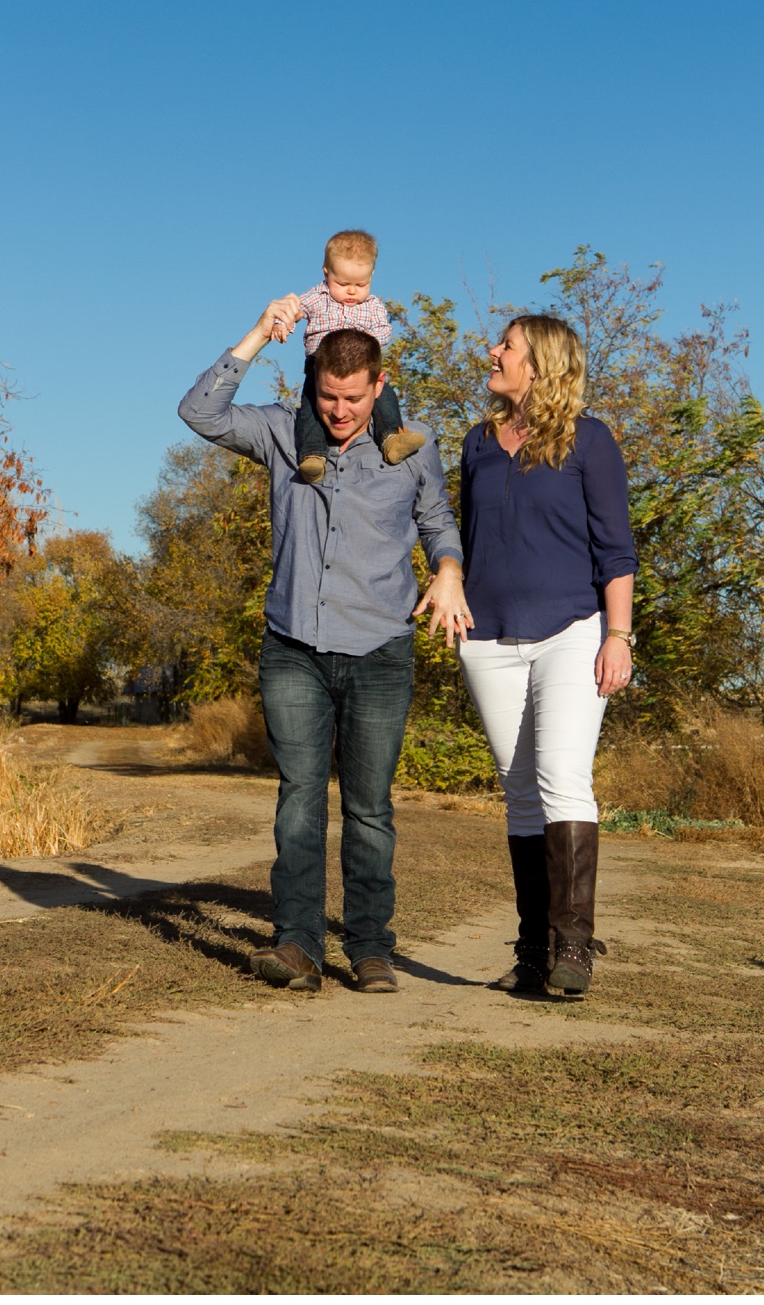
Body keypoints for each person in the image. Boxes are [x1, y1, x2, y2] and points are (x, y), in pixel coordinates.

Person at [179, 296, 471, 994]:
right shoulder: (284, 432)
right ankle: (299, 945)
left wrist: (451, 572)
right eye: (328, 395)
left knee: (369, 806)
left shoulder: (414, 446)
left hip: (379, 650)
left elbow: (438, 523)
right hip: (294, 648)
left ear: (379, 386)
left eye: (352, 397)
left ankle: (370, 948)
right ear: (312, 384)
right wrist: (258, 332)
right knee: (300, 797)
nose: (339, 411)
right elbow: (201, 412)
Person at [456, 314, 637, 997]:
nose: (493, 352)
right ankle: (533, 952)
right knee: (521, 793)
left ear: (539, 365)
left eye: (506, 346)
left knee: (564, 774)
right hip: (489, 640)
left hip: (572, 632)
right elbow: (467, 542)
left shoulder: (589, 442)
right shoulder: (476, 443)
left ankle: (575, 948)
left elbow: (616, 549)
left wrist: (617, 636)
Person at [268, 229, 425, 484]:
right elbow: (293, 309)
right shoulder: (318, 297)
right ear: (326, 273)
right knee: (311, 404)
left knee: (384, 394)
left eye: (360, 285)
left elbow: (384, 332)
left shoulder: (372, 305)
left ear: (371, 277)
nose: (352, 292)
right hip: (321, 365)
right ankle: (312, 455)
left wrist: (366, 344)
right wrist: (280, 324)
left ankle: (392, 437)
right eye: (342, 284)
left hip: (361, 365)